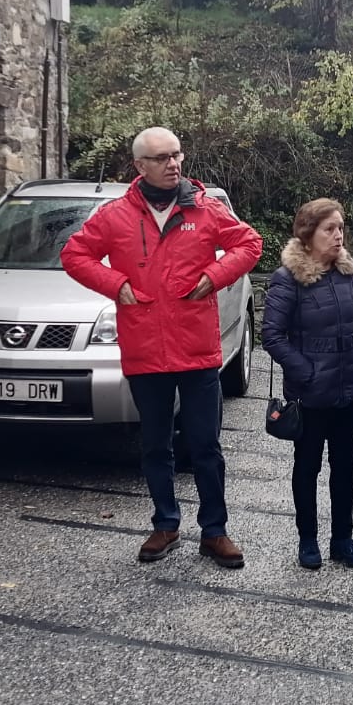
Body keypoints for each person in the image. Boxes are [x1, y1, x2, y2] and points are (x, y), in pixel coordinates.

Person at [61, 126, 263, 567]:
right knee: (154, 444)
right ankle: (165, 524)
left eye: (177, 155)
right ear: (140, 166)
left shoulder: (204, 210)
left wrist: (214, 277)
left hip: (196, 349)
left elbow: (249, 244)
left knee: (205, 446)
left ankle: (215, 531)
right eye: (162, 157)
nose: (173, 164)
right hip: (145, 350)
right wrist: (117, 285)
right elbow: (75, 255)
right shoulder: (115, 215)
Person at [262, 199, 353, 571]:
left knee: (345, 466)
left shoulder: (351, 274)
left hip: (348, 390)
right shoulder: (289, 278)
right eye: (330, 229)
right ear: (308, 234)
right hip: (310, 395)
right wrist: (307, 372)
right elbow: (272, 334)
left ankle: (343, 540)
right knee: (308, 466)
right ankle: (308, 538)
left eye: (341, 227)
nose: (338, 235)